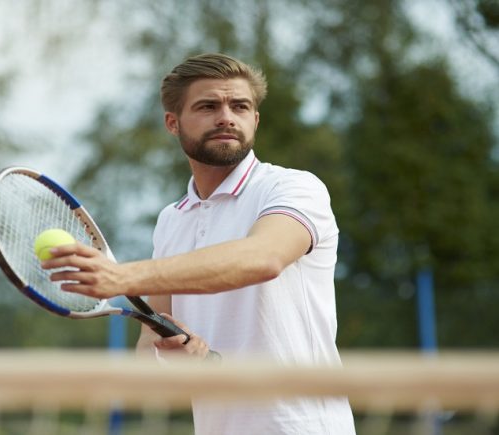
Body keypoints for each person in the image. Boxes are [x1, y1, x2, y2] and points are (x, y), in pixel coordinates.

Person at [42, 53, 356, 434]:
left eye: (240, 106)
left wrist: (122, 277)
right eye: (208, 106)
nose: (226, 116)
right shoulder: (171, 220)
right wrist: (174, 355)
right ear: (173, 123)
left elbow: (263, 257)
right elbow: (150, 341)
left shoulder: (293, 188)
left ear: (255, 120)